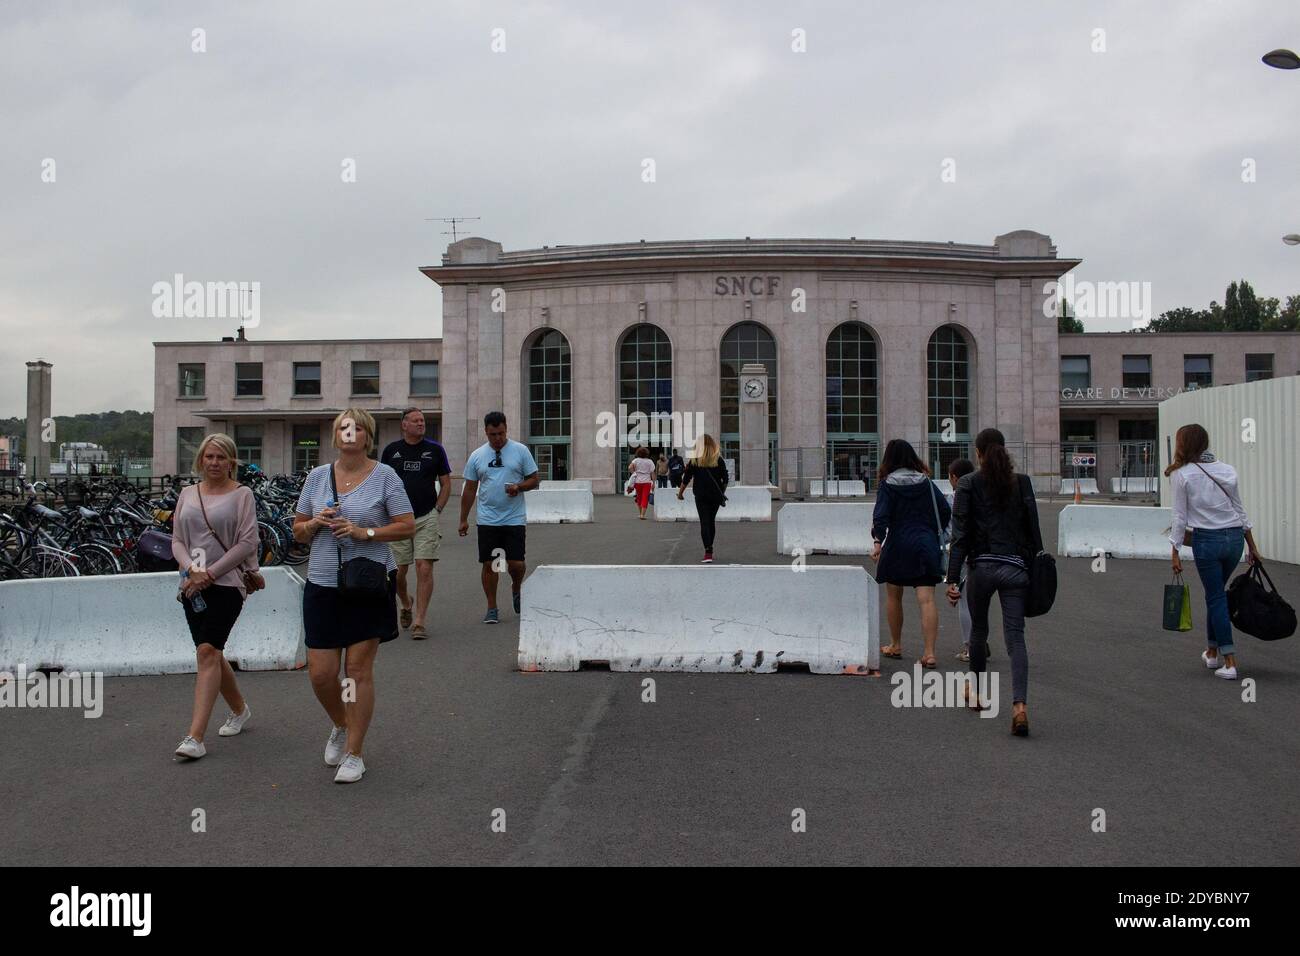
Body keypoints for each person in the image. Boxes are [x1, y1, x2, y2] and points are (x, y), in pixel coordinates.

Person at [293, 408, 415, 783]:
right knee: (321, 674)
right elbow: (297, 531)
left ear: (368, 436)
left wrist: (366, 533)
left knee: (357, 670)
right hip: (322, 584)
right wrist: (314, 523)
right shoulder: (316, 478)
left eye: (358, 428)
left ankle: (355, 753)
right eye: (344, 427)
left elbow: (407, 525)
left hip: (366, 584)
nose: (350, 433)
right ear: (335, 436)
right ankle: (341, 722)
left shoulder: (385, 477)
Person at [945, 428, 1041, 736]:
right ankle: (1020, 707)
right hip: (1015, 568)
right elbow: (1033, 530)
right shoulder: (1022, 482)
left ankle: (975, 694)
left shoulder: (969, 483)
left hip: (981, 568)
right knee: (1016, 637)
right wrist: (1035, 565)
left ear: (978, 453)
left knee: (979, 631)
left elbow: (959, 536)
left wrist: (952, 578)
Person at [171, 433, 260, 761]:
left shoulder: (242, 495)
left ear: (231, 461)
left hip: (227, 584)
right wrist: (192, 569)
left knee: (207, 651)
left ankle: (195, 737)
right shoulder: (187, 494)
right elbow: (177, 540)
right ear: (200, 460)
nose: (214, 463)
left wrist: (211, 572)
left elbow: (247, 543)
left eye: (221, 457)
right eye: (209, 457)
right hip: (191, 585)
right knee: (211, 652)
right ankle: (239, 710)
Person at [1166, 423, 1260, 680]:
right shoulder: (1227, 469)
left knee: (1216, 596)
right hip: (1234, 540)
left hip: (1207, 541)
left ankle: (1229, 661)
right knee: (1215, 594)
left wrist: (1174, 551)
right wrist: (1252, 545)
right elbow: (1239, 509)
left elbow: (1179, 517)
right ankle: (1211, 652)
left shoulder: (1182, 474)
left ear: (1184, 444)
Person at [870, 439, 950, 667]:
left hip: (898, 545)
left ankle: (895, 644)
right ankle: (929, 653)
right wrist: (932, 531)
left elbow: (881, 517)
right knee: (926, 600)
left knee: (894, 596)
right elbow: (944, 511)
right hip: (925, 544)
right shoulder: (926, 483)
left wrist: (878, 542)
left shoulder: (887, 484)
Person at [458, 411, 540, 624]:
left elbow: (534, 480)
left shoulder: (520, 451)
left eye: (501, 433)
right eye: (493, 434)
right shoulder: (477, 456)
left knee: (516, 564)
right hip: (487, 519)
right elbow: (469, 489)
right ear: (486, 432)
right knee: (490, 563)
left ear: (506, 429)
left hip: (514, 518)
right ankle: (492, 607)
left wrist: (519, 486)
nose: (498, 438)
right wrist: (463, 518)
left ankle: (516, 587)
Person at [380, 407, 452, 639]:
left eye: (422, 421)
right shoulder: (392, 451)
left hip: (426, 517)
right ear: (404, 425)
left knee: (424, 566)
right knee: (398, 572)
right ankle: (406, 603)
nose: (421, 424)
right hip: (398, 519)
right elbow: (382, 485)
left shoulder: (435, 450)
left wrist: (437, 509)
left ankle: (420, 620)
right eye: (416, 421)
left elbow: (446, 483)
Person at [944, 458, 980, 663]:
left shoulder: (954, 498)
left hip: (964, 554)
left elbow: (952, 533)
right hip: (983, 552)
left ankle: (969, 646)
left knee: (965, 603)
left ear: (954, 477)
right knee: (978, 604)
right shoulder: (981, 494)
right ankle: (979, 640)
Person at [677, 434, 728, 563]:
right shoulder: (718, 459)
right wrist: (722, 492)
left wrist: (680, 493)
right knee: (711, 521)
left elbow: (686, 478)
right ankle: (710, 549)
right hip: (715, 496)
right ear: (712, 445)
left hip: (701, 495)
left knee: (704, 522)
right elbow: (726, 479)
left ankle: (708, 551)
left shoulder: (694, 460)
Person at [628, 445, 656, 519]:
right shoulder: (650, 461)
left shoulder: (636, 460)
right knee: (645, 498)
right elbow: (652, 473)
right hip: (647, 482)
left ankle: (640, 513)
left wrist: (634, 473)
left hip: (638, 482)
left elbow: (630, 467)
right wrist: (654, 483)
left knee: (639, 498)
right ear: (647, 453)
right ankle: (642, 515)